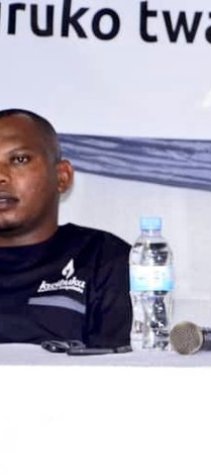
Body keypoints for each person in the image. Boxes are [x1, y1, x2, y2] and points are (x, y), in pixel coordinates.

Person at [0, 108, 131, 348]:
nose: (1, 176)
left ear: (62, 177)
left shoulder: (105, 258)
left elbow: (123, 365)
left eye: (19, 160)